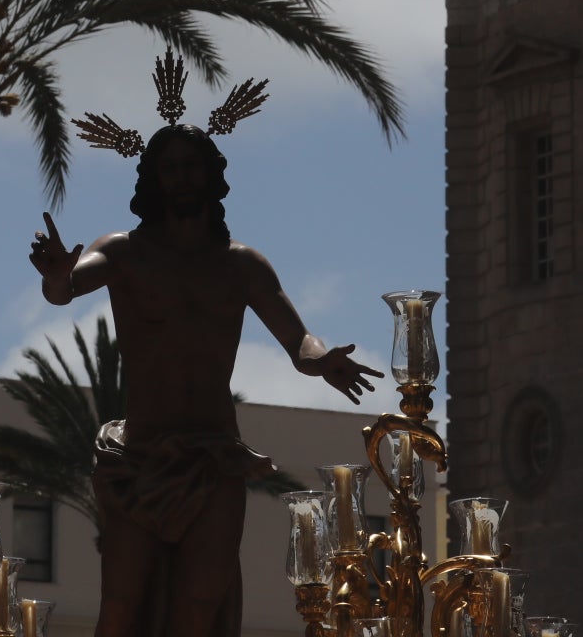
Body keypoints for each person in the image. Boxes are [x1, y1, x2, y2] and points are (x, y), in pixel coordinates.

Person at [28, 123, 380, 637]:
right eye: (169, 168)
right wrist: (57, 275)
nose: (181, 178)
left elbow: (299, 340)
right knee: (121, 607)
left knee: (202, 603)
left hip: (215, 458)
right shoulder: (125, 252)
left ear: (213, 174)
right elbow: (68, 287)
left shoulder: (241, 265)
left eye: (191, 166)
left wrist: (323, 361)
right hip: (139, 460)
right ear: (151, 179)